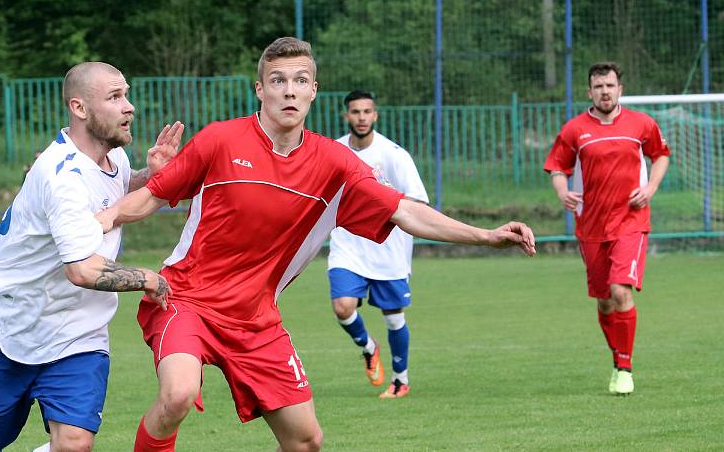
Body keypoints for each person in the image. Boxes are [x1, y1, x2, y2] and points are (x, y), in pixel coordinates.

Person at [97, 37, 536, 452]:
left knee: (306, 441)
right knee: (178, 394)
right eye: (278, 81)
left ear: (314, 91)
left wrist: (485, 234)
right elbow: (151, 195)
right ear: (260, 90)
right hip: (186, 299)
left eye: (300, 81)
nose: (289, 91)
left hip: (255, 320)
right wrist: (101, 219)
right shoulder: (220, 139)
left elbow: (405, 211)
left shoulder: (335, 164)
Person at [0, 62, 184, 452]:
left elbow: (110, 188)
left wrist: (150, 174)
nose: (129, 106)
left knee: (75, 445)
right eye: (115, 97)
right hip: (15, 326)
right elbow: (80, 269)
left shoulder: (113, 160)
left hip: (80, 333)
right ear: (79, 108)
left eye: (126, 95)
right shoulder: (60, 175)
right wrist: (146, 277)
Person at [544, 62, 670, 396]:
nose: (605, 92)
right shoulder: (575, 130)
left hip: (631, 221)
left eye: (610, 86)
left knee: (620, 291)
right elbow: (557, 166)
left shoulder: (641, 124)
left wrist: (651, 189)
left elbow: (661, 155)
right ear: (590, 92)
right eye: (598, 86)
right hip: (591, 225)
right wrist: (562, 192)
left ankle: (625, 368)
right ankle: (617, 358)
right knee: (604, 301)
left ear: (620, 90)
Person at [327, 90, 428, 399]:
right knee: (343, 307)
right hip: (349, 245)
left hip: (389, 250)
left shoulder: (394, 155)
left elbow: (418, 201)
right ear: (346, 116)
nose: (361, 117)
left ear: (375, 115)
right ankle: (368, 348)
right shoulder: (334, 152)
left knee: (394, 317)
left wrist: (384, 207)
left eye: (366, 111)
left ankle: (400, 380)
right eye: (355, 112)